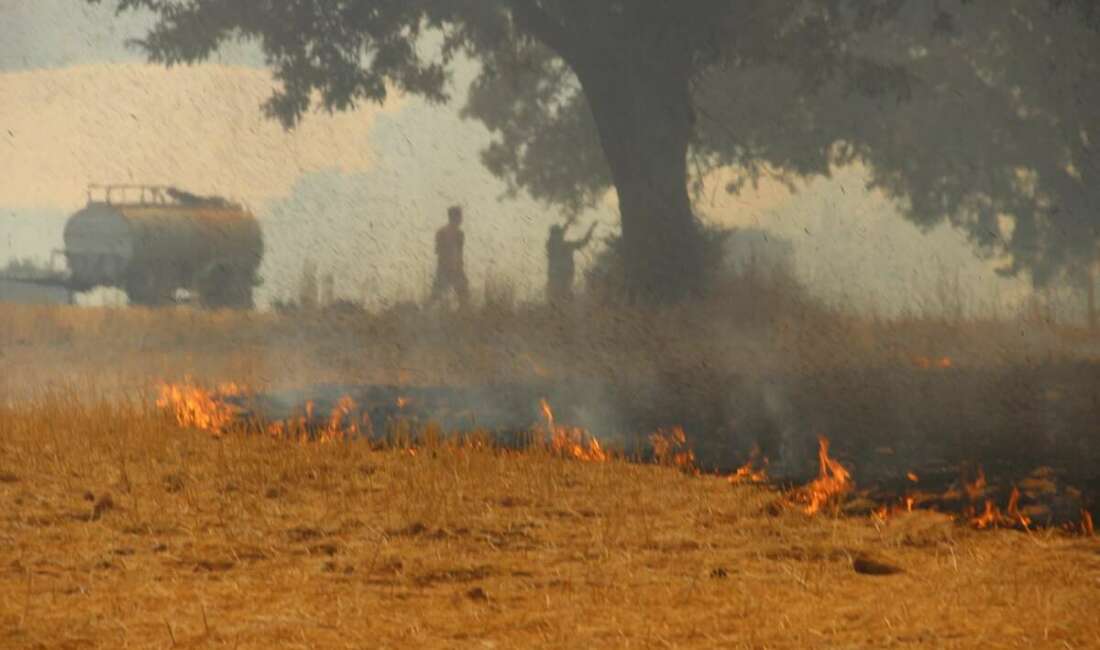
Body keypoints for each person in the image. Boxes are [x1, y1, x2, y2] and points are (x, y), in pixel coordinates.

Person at [546, 220, 597, 304]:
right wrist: (568, 223)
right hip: (558, 280)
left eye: (556, 234)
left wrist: (591, 228)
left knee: (562, 298)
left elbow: (584, 242)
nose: (555, 237)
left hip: (563, 279)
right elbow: (583, 242)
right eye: (554, 234)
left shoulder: (559, 246)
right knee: (558, 299)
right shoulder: (553, 246)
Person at [430, 205, 470, 308]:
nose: (461, 219)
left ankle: (462, 316)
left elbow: (460, 252)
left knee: (464, 295)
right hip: (444, 268)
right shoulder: (442, 232)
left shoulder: (460, 234)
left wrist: (459, 266)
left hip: (455, 268)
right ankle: (428, 315)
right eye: (459, 216)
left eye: (461, 216)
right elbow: (439, 251)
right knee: (436, 296)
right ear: (453, 217)